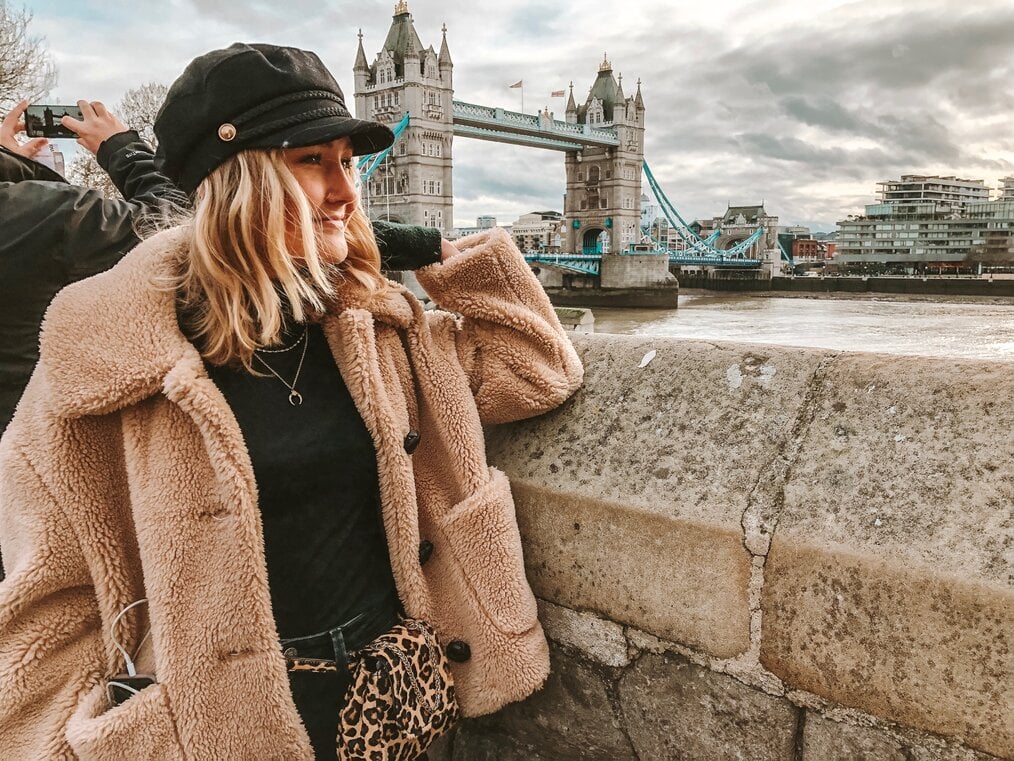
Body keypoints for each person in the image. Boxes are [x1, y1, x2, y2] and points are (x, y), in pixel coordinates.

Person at [0, 42, 583, 761]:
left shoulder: (373, 329)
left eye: (349, 160)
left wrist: (427, 244)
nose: (348, 189)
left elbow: (538, 369)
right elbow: (44, 620)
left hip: (398, 707)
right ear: (235, 181)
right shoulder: (104, 360)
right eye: (314, 161)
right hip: (224, 736)